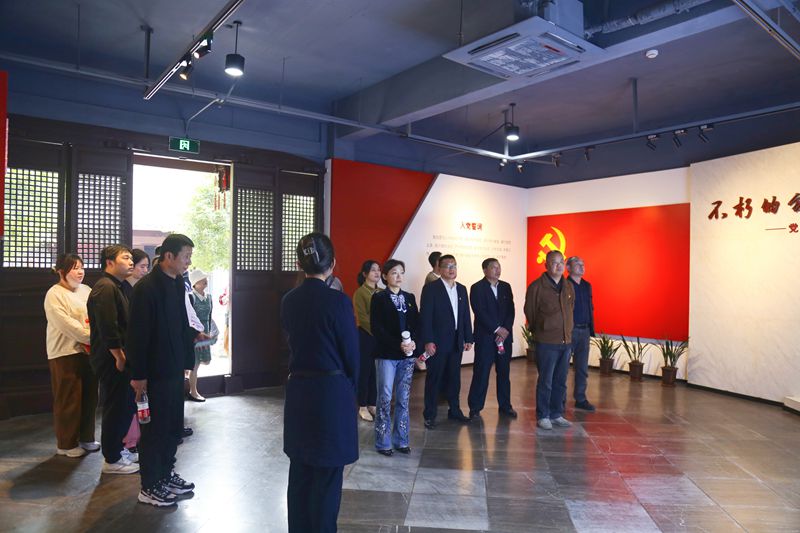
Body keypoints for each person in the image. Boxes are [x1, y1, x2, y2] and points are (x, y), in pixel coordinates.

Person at [281, 232, 359, 533]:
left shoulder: (289, 300)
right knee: (327, 476)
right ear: (333, 263)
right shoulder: (338, 301)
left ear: (299, 264)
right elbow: (350, 353)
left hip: (299, 390)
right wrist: (352, 387)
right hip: (330, 393)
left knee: (300, 472)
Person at [128, 233, 198, 507]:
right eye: (186, 257)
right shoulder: (146, 289)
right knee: (154, 431)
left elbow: (182, 324)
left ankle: (166, 473)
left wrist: (187, 359)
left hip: (173, 369)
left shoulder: (178, 283)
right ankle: (149, 485)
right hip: (154, 373)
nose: (188, 262)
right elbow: (137, 336)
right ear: (169, 256)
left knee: (172, 427)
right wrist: (138, 375)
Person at [87, 244, 139, 474]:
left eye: (131, 258)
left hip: (121, 357)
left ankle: (118, 449)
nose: (130, 262)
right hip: (111, 359)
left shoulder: (118, 286)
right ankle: (112, 459)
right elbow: (108, 326)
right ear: (109, 262)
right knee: (115, 407)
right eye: (125, 258)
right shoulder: (105, 287)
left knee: (124, 406)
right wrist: (118, 355)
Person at [44, 253, 99, 458]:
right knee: (69, 398)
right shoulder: (54, 294)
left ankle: (86, 437)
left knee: (90, 396)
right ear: (61, 272)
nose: (80, 272)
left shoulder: (86, 290)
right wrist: (92, 337)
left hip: (89, 351)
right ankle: (66, 444)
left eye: (81, 267)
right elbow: (65, 323)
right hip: (65, 352)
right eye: (75, 268)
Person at [370, 259, 420, 456]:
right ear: (385, 276)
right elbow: (377, 328)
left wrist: (414, 342)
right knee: (384, 397)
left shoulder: (409, 297)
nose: (398, 277)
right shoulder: (379, 298)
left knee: (403, 399)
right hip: (386, 354)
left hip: (407, 356)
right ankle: (383, 442)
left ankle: (401, 440)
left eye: (401, 273)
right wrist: (396, 344)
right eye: (394, 273)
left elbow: (417, 324)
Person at [418, 254, 473, 428]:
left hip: (456, 341)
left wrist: (468, 337)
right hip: (438, 342)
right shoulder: (431, 289)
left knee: (454, 378)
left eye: (454, 266)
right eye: (448, 266)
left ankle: (454, 410)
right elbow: (425, 317)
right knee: (435, 379)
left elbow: (465, 315)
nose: (451, 269)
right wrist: (428, 341)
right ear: (439, 269)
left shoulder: (462, 289)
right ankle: (430, 414)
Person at [524, 250, 575, 430]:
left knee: (560, 380)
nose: (559, 265)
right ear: (546, 265)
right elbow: (530, 311)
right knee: (546, 380)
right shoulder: (537, 287)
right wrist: (542, 329)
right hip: (546, 342)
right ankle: (543, 415)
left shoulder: (568, 286)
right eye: (554, 262)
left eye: (561, 262)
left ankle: (556, 413)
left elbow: (571, 309)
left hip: (565, 341)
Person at [467, 258, 517, 419]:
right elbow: (479, 311)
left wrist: (506, 329)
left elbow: (511, 310)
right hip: (486, 338)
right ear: (485, 270)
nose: (497, 270)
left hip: (504, 338)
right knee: (481, 372)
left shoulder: (505, 286)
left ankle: (505, 406)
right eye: (493, 267)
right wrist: (497, 329)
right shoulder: (477, 288)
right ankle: (475, 407)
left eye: (499, 267)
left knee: (504, 373)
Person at [566, 256, 596, 412]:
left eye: (583, 264)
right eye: (577, 264)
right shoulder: (564, 285)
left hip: (584, 330)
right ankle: (560, 399)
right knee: (562, 367)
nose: (581, 267)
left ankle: (581, 398)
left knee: (582, 367)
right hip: (569, 331)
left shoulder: (586, 285)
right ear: (568, 268)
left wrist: (591, 327)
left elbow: (590, 307)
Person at [352, 260, 381, 421]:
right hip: (366, 336)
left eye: (378, 270)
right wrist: (379, 332)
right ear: (365, 274)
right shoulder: (360, 293)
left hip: (380, 337)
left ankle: (372, 403)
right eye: (373, 270)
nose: (377, 273)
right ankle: (362, 405)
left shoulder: (382, 292)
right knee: (365, 371)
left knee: (375, 372)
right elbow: (362, 318)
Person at [188, 269, 215, 402]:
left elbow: (210, 316)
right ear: (195, 283)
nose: (205, 281)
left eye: (205, 279)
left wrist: (210, 332)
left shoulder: (209, 297)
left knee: (206, 361)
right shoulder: (191, 297)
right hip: (195, 334)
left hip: (205, 333)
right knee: (195, 363)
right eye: (202, 279)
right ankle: (193, 391)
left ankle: (190, 383)